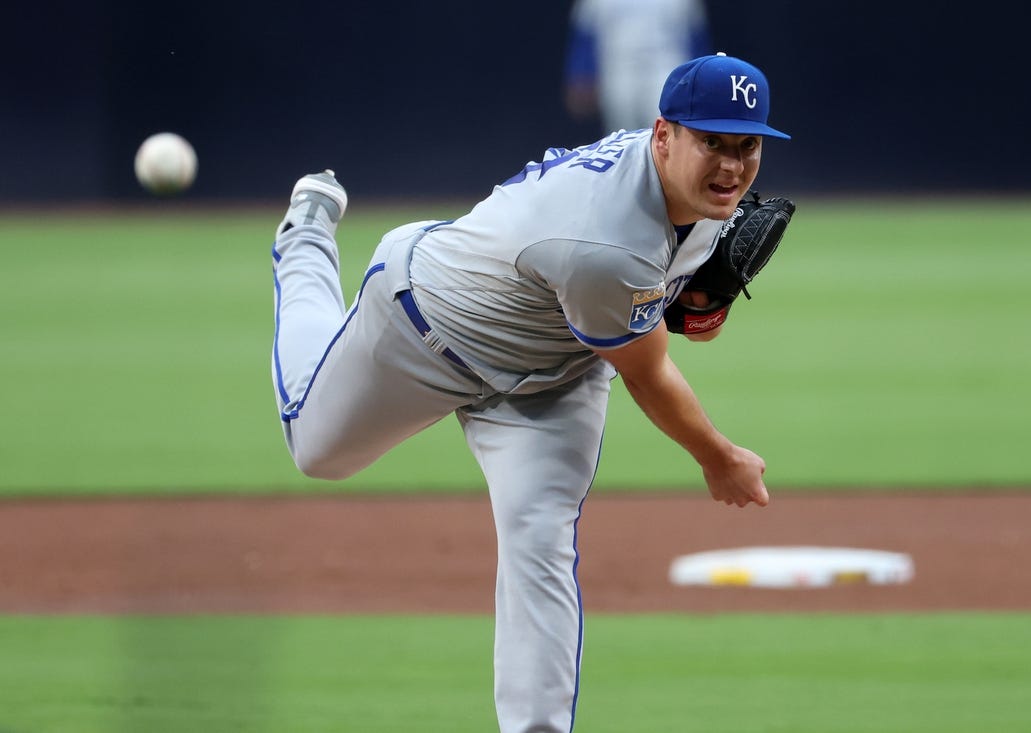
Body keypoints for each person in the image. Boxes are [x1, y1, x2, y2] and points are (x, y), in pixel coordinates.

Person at [270, 53, 789, 733]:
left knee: (538, 537)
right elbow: (649, 371)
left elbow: (677, 317)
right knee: (317, 452)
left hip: (553, 378)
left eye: (746, 145)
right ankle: (306, 237)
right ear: (663, 135)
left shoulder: (699, 201)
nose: (731, 165)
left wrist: (690, 303)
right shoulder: (608, 242)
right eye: (711, 142)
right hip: (423, 328)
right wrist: (718, 455)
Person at [563, 0, 711, 133]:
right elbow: (586, 34)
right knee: (620, 132)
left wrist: (700, 78)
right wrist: (581, 74)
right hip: (619, 67)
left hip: (665, 68)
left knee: (667, 128)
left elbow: (695, 37)